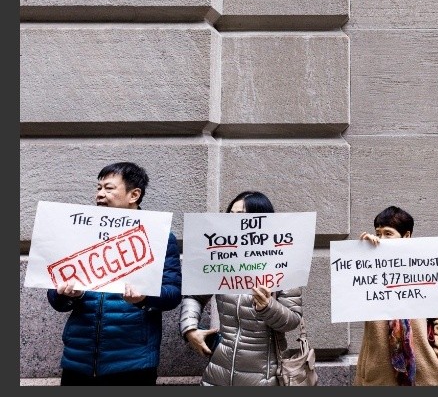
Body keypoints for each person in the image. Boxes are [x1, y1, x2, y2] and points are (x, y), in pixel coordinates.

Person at [47, 161, 182, 385]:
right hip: (78, 361)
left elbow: (173, 293)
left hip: (134, 363)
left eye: (108, 188)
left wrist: (144, 298)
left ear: (134, 195)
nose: (100, 194)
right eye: (98, 188)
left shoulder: (158, 235)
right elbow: (55, 298)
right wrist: (69, 295)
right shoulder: (79, 232)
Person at [179, 191, 303, 386]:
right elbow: (194, 295)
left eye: (243, 215)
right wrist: (189, 328)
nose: (234, 221)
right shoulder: (220, 259)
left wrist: (267, 306)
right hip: (219, 371)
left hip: (265, 376)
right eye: (231, 214)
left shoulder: (282, 263)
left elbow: (292, 320)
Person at [353, 206, 438, 386]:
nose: (381, 239)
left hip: (423, 374)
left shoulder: (426, 269)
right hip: (378, 376)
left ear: (407, 236)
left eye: (388, 233)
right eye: (378, 233)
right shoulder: (370, 271)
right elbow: (351, 302)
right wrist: (361, 256)